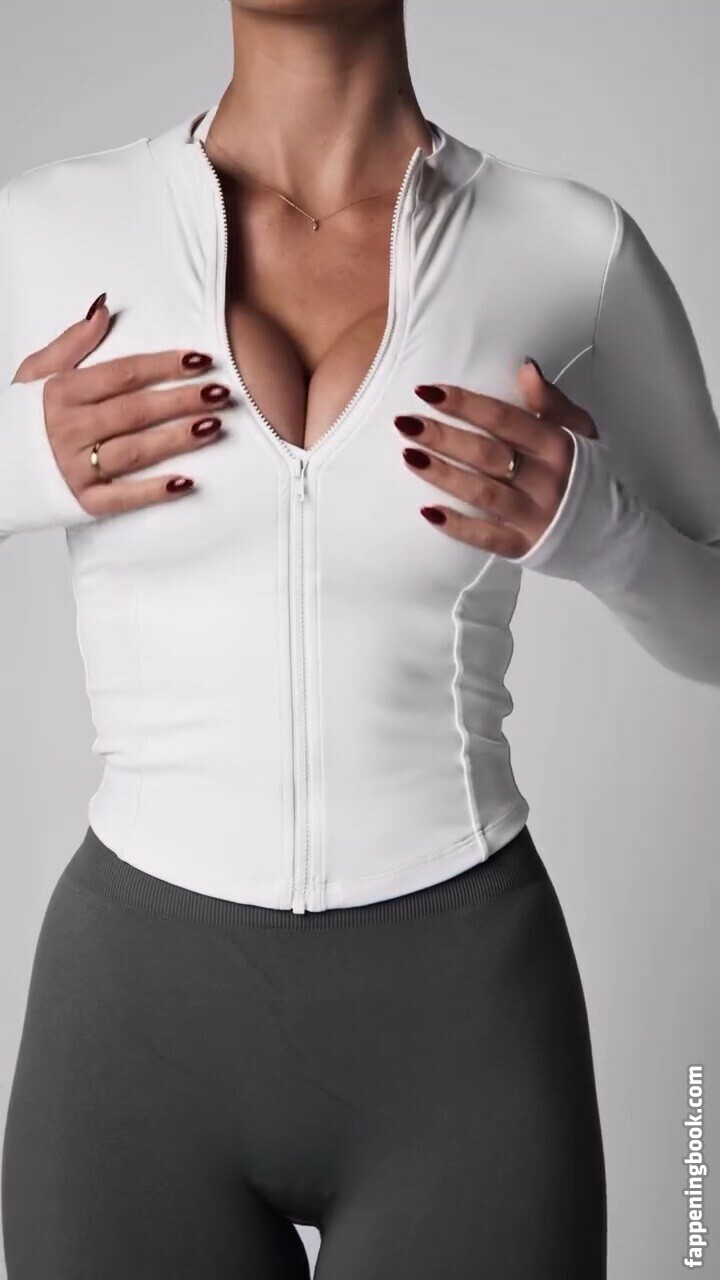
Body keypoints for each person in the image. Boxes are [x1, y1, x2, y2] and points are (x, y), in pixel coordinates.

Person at [1, 1, 719, 1276]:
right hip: (133, 1029)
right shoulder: (47, 230)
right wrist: (20, 458)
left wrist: (598, 529)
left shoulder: (571, 249)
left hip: (464, 1022)